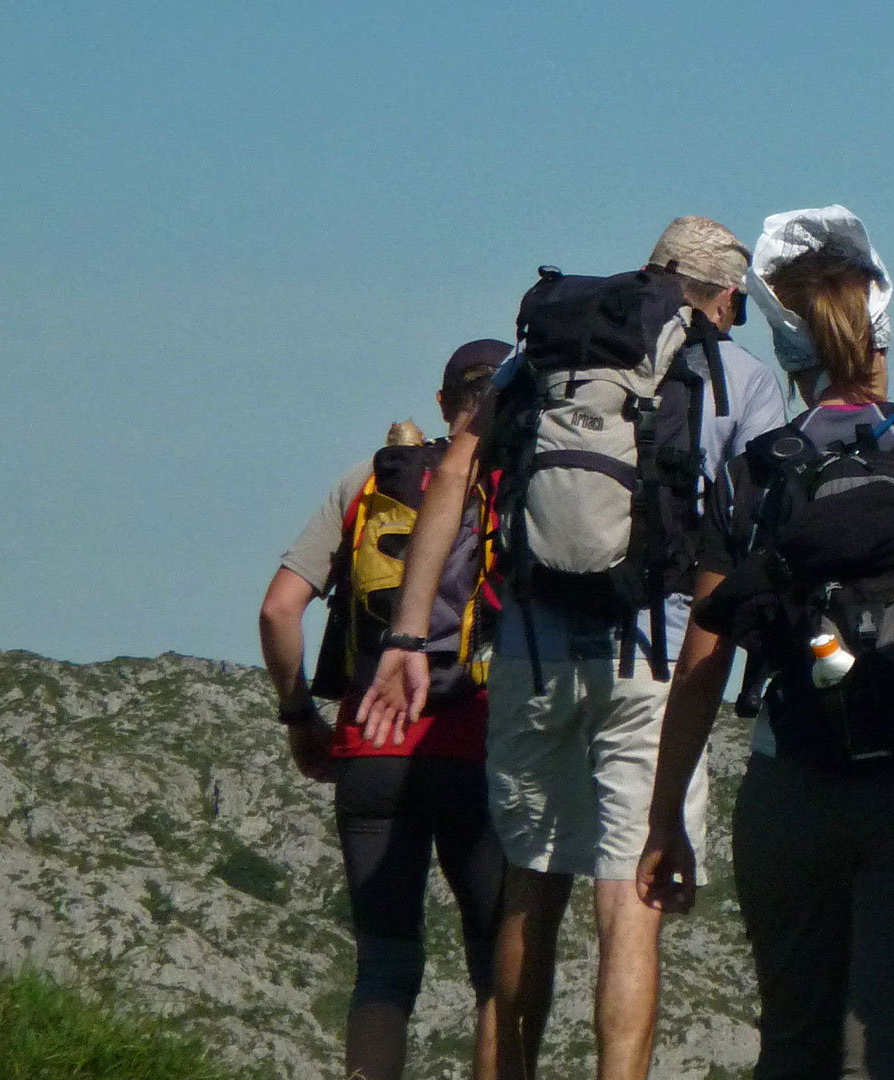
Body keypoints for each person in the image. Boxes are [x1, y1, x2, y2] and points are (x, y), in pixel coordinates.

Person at [358, 217, 786, 1080]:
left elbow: (455, 480)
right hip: (655, 658)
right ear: (725, 295)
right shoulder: (737, 376)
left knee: (528, 885)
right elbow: (755, 537)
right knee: (630, 901)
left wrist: (408, 634)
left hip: (531, 649)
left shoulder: (545, 359)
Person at [636, 206, 894, 1079]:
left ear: (787, 350)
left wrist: (664, 820)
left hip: (792, 789)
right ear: (882, 333)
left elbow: (705, 659)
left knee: (794, 1046)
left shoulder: (755, 473)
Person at [258, 339, 511, 1080]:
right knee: (498, 969)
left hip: (371, 749)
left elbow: (278, 611)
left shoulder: (367, 483)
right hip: (480, 748)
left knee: (385, 966)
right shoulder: (512, 485)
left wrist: (301, 717)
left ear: (442, 404)